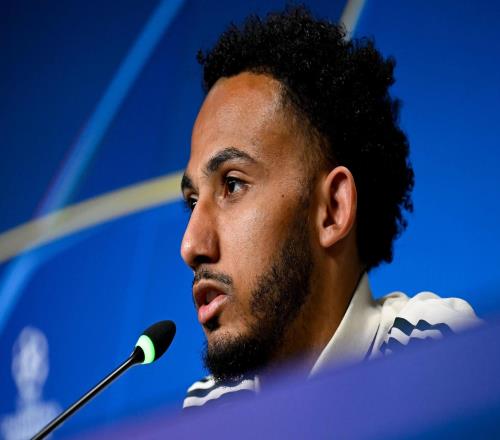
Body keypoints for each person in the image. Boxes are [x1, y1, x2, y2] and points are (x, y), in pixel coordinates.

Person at [180, 5, 478, 410]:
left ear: (333, 209)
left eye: (232, 185)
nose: (190, 245)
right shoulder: (209, 407)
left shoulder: (435, 353)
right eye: (192, 201)